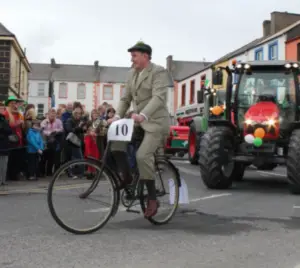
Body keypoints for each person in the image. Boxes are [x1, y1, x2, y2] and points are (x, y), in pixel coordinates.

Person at [107, 41, 170, 218]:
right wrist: (118, 117)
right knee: (116, 143)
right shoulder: (131, 74)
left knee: (142, 156)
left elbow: (158, 97)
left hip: (155, 122)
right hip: (138, 121)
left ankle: (151, 198)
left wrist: (143, 114)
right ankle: (127, 177)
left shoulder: (158, 72)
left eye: (134, 55)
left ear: (145, 56)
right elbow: (126, 98)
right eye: (131, 55)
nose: (132, 59)